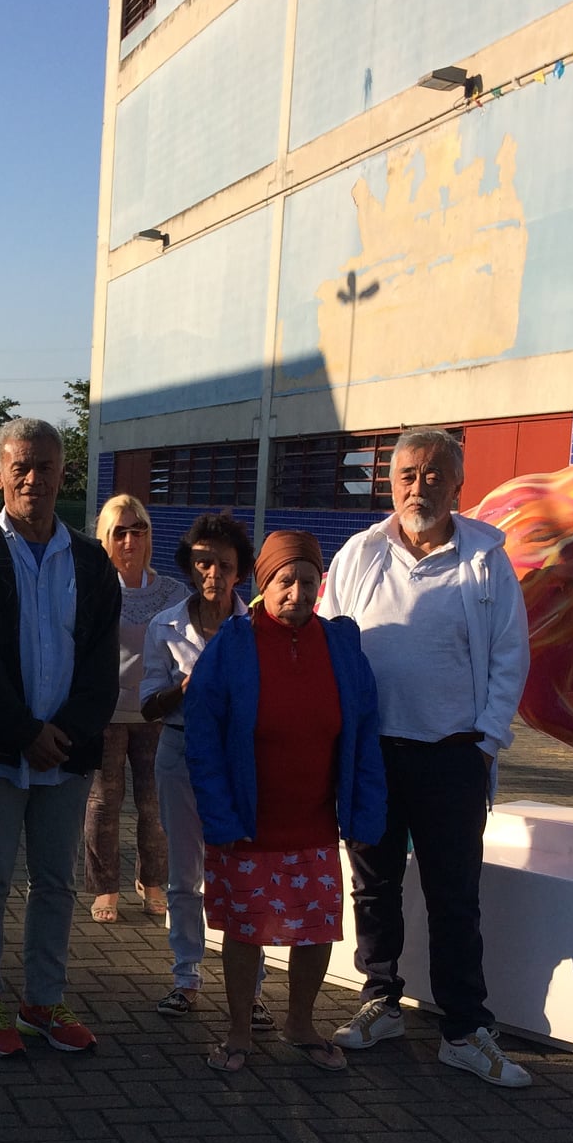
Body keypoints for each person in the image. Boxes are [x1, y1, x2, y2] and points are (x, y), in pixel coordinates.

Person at [318, 427, 535, 1086]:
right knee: (374, 886)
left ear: (457, 484)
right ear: (392, 482)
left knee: (454, 896)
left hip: (451, 755)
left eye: (434, 475)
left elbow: (509, 655)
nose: (420, 487)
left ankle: (465, 1029)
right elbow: (331, 647)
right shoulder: (359, 554)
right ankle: (379, 1002)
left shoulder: (487, 558)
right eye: (408, 474)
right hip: (374, 754)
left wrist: (485, 740)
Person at [0, 418, 121, 1056]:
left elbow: (103, 662)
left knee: (57, 882)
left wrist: (66, 734)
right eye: (20, 466)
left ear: (62, 474)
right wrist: (22, 732)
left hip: (66, 756)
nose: (33, 478)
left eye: (45, 466)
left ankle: (42, 1002)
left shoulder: (91, 560)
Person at [185, 532, 387, 1071]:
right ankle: (237, 1033)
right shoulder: (233, 644)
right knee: (245, 929)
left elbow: (364, 732)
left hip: (315, 823)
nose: (296, 591)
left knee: (317, 928)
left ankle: (300, 1023)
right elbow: (202, 737)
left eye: (307, 581)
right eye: (284, 580)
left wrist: (365, 813)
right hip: (250, 823)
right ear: (263, 583)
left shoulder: (342, 645)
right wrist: (219, 814)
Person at [140, 512, 259, 1017]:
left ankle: (249, 992)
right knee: (185, 874)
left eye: (224, 565)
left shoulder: (255, 628)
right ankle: (186, 977)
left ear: (241, 572)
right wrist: (182, 690)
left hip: (239, 758)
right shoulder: (163, 626)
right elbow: (147, 705)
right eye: (202, 562)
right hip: (180, 750)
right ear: (189, 566)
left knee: (240, 872)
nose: (213, 574)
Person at [86, 494, 186, 924]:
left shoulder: (172, 591)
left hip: (157, 713)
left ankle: (154, 880)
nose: (129, 540)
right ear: (104, 539)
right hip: (104, 713)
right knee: (104, 804)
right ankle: (105, 886)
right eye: (119, 532)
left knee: (156, 804)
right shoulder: (91, 588)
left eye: (138, 530)